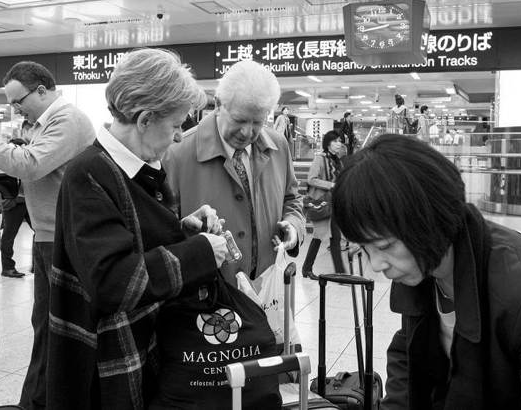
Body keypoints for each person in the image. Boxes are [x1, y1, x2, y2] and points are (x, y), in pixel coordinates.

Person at [331, 134, 521, 410]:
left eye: (385, 246)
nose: (376, 265)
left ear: (429, 219)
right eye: (366, 249)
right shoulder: (419, 266)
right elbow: (408, 355)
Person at [47, 48, 227, 410]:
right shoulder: (90, 174)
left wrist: (183, 230)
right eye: (176, 125)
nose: (179, 136)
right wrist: (201, 252)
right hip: (110, 366)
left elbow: (129, 240)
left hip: (145, 348)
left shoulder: (136, 168)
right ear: (145, 119)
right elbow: (114, 282)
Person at [0, 61, 95, 410]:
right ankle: (41, 399)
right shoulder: (43, 123)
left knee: (52, 326)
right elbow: (38, 175)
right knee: (47, 325)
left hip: (63, 239)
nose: (14, 107)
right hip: (48, 236)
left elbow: (31, 163)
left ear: (41, 90)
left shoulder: (67, 119)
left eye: (17, 99)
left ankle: (37, 402)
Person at [164, 59, 305, 283]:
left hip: (267, 285)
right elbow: (162, 227)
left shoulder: (278, 147)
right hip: (207, 293)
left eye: (258, 122)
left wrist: (294, 227)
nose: (247, 132)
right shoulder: (177, 152)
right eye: (239, 120)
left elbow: (292, 198)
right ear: (219, 105)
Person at [302, 130, 345, 276]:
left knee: (335, 238)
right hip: (323, 203)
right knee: (320, 236)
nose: (339, 144)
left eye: (340, 141)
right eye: (336, 141)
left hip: (334, 203)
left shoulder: (337, 160)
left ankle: (339, 273)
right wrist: (331, 185)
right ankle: (307, 268)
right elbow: (311, 179)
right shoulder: (320, 158)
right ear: (328, 143)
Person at [0, 138, 31, 278]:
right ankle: (7, 267)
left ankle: (37, 265)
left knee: (40, 231)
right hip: (14, 204)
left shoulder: (26, 160)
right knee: (8, 236)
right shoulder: (7, 162)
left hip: (27, 202)